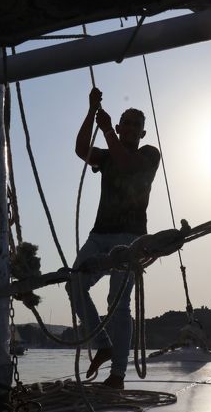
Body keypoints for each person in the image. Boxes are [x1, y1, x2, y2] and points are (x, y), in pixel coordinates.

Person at [66, 87, 160, 389]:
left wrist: (107, 130)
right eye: (126, 123)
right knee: (75, 284)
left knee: (118, 305)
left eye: (136, 125)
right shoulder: (107, 155)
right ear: (121, 128)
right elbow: (81, 149)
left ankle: (118, 374)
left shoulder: (148, 155)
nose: (131, 128)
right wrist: (91, 111)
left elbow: (127, 165)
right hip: (99, 235)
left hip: (130, 239)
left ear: (142, 132)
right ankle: (103, 343)